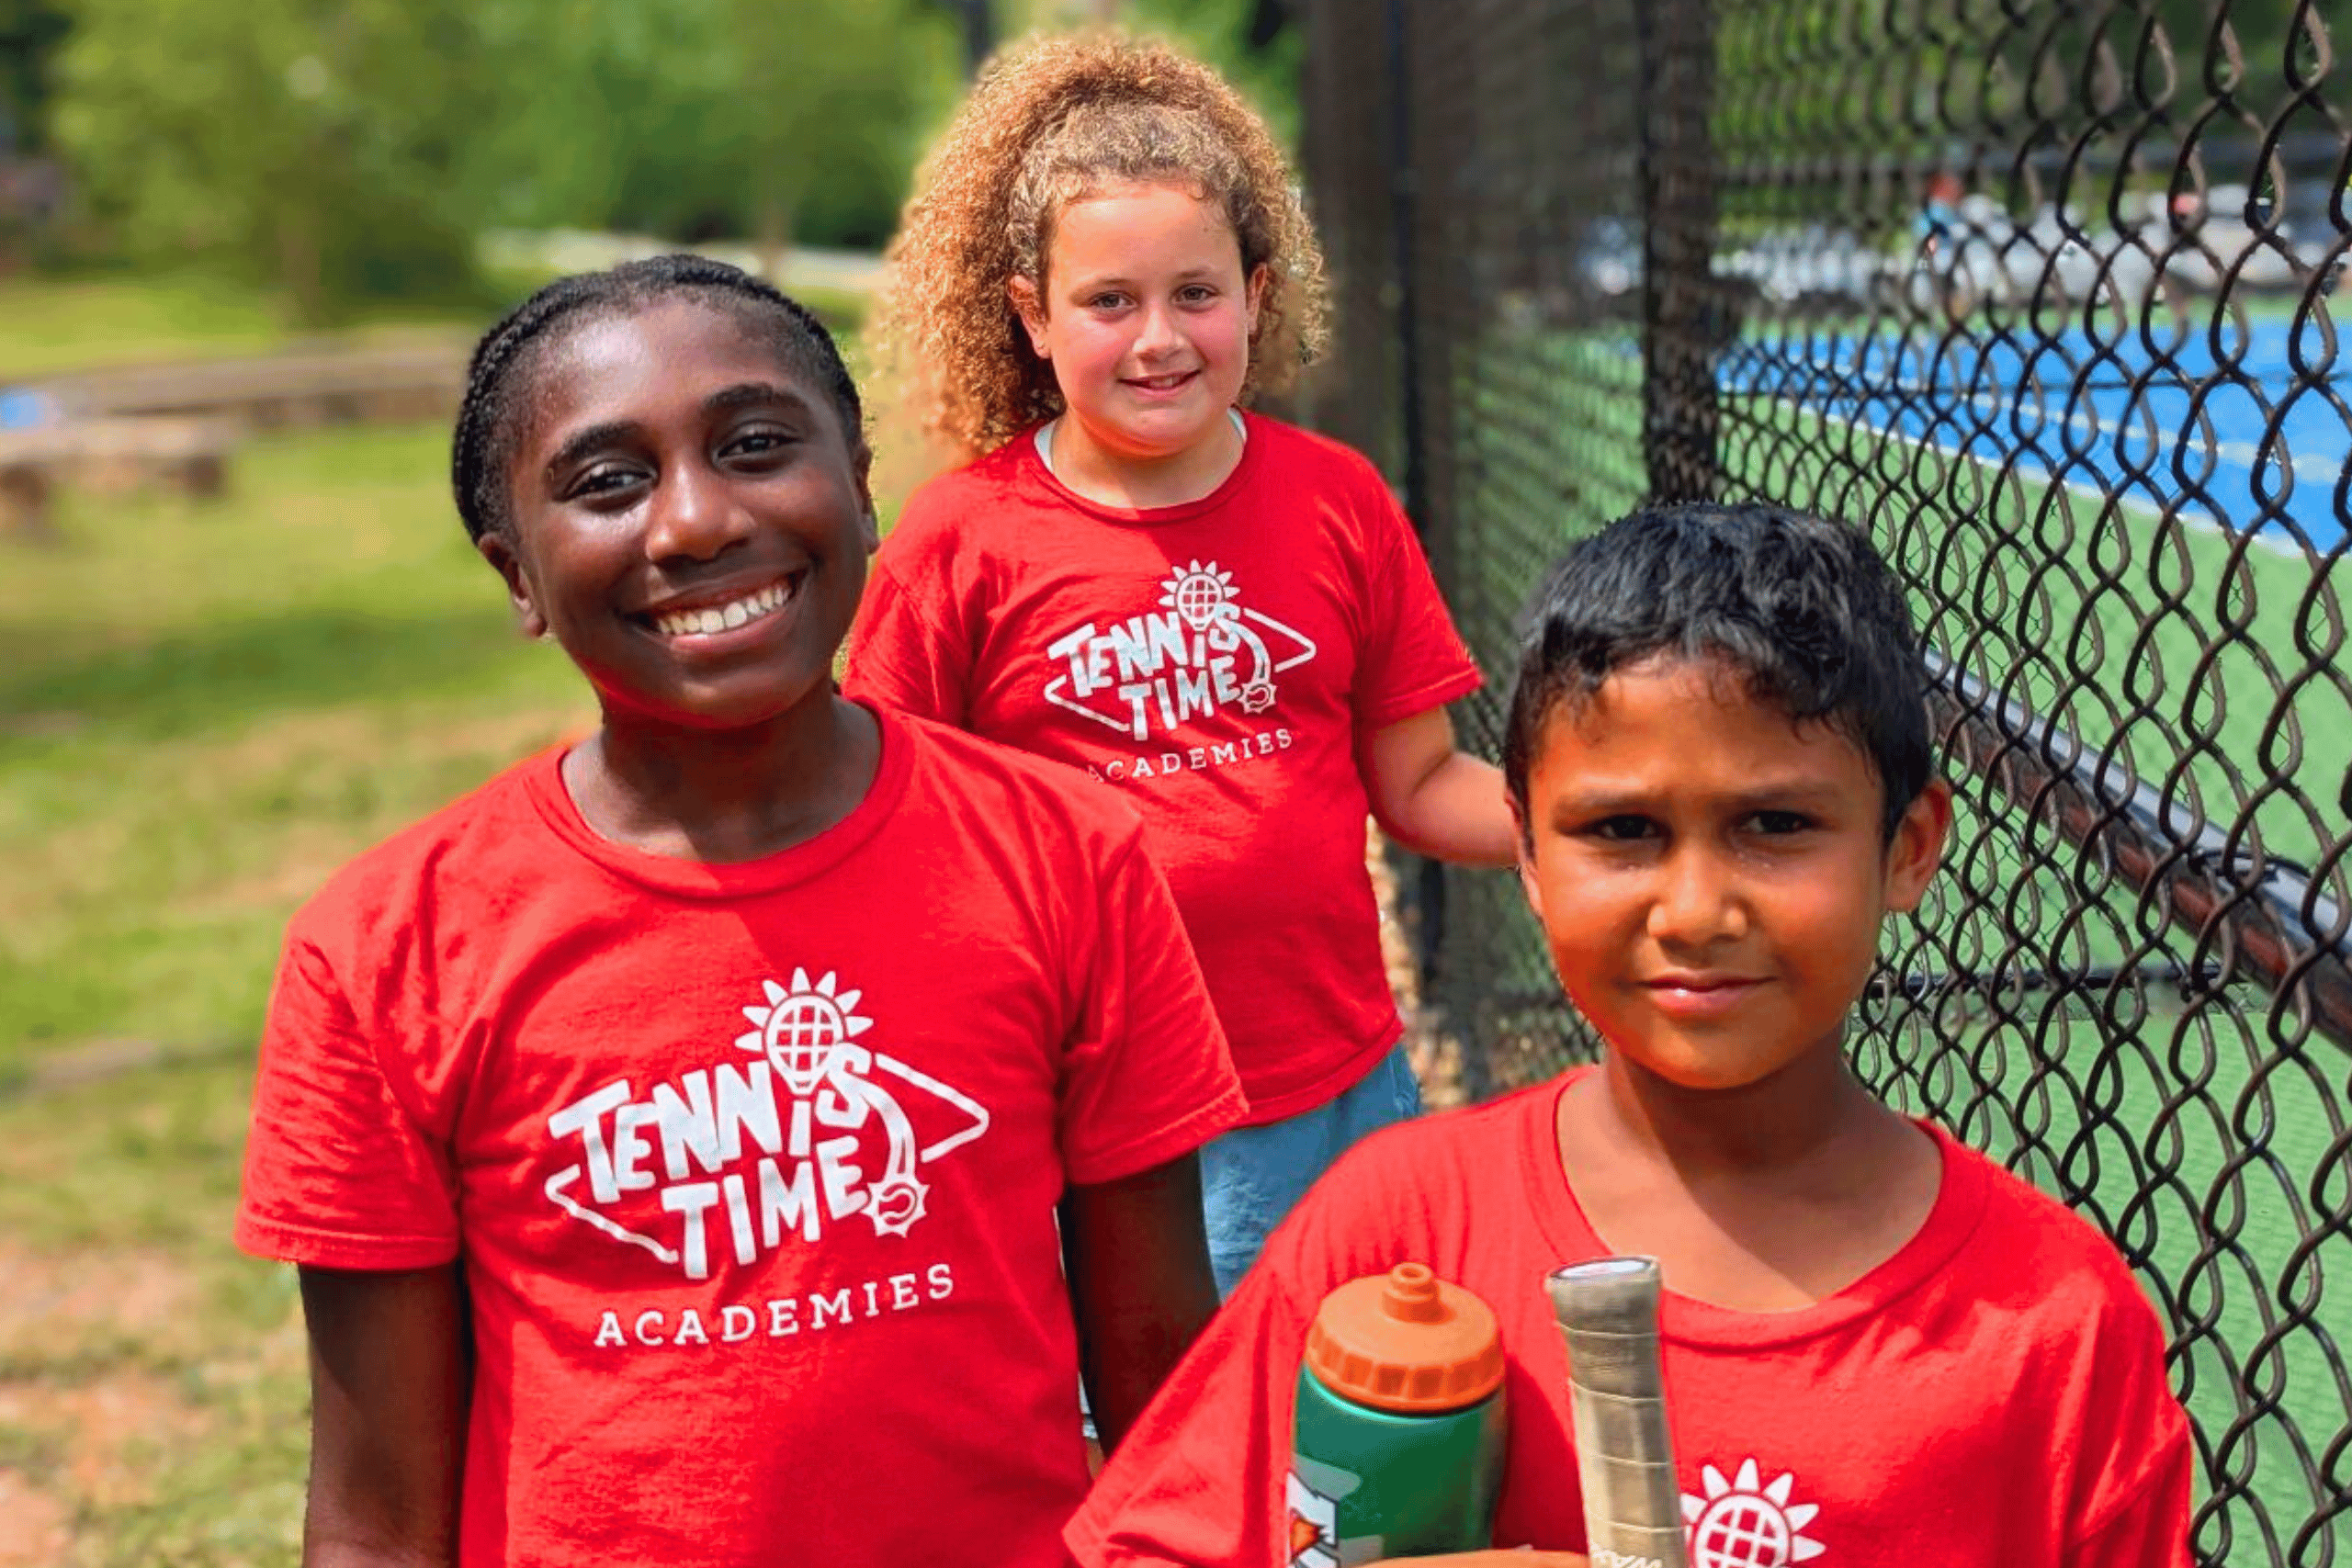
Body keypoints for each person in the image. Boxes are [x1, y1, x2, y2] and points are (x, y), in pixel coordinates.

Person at [234, 255, 1246, 1567]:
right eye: (608, 482)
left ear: (867, 488)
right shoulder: (386, 947)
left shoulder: (1065, 854)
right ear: (517, 575)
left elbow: (1168, 1375)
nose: (697, 520)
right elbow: (377, 1513)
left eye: (757, 446)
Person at [1068, 502, 2195, 1567]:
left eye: (1775, 825)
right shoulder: (1398, 1228)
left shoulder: (2051, 1327)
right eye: (1621, 830)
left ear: (1906, 847)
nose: (1697, 910)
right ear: (1526, 853)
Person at [844, 34, 1518, 1297]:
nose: (1159, 339)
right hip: (1101, 1107)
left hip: (1333, 1078)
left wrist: (1575, 828)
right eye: (1109, 302)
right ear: (1031, 315)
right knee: (1162, 1437)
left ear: (1258, 296)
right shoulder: (960, 542)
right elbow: (892, 826)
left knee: (1359, 1410)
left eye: (1196, 294)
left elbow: (1419, 782)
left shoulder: (1338, 501)